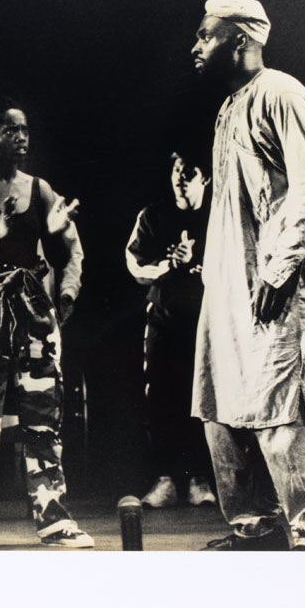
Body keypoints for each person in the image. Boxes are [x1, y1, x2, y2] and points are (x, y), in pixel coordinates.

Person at [189, 0, 305, 551]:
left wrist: (279, 271)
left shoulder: (280, 91)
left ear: (239, 39)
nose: (195, 46)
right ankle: (254, 526)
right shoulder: (230, 108)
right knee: (220, 404)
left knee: (283, 405)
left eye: (206, 35)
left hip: (272, 279)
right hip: (229, 283)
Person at [0, 98, 92, 550]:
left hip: (31, 309)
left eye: (25, 130)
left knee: (42, 415)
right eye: (11, 131)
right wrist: (1, 232)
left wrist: (58, 243)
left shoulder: (41, 189)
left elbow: (66, 253)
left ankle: (54, 518)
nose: (22, 138)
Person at [125, 149, 216, 508]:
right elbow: (134, 265)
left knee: (204, 399)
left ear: (204, 178)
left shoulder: (220, 216)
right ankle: (164, 479)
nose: (180, 178)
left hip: (208, 325)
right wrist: (169, 263)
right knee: (161, 398)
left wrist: (198, 265)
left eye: (189, 172)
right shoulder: (152, 216)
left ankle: (199, 478)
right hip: (163, 322)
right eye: (176, 170)